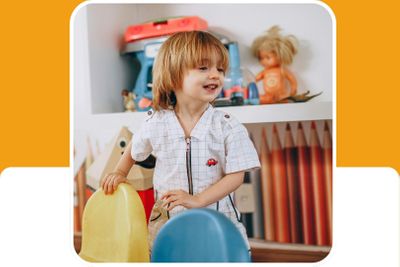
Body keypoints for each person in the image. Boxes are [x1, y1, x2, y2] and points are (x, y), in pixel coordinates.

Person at [100, 31, 260, 251]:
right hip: (169, 224)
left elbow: (236, 176)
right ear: (173, 76)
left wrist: (198, 200)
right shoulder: (156, 122)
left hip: (217, 222)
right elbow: (134, 147)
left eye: (220, 69)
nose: (215, 75)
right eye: (203, 68)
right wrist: (119, 172)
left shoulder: (226, 125)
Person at [251, 25, 298, 104]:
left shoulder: (282, 70)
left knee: (284, 99)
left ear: (279, 55)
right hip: (268, 96)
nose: (264, 61)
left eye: (268, 57)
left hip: (281, 96)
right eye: (261, 58)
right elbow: (253, 80)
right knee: (261, 99)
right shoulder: (264, 72)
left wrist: (293, 89)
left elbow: (292, 80)